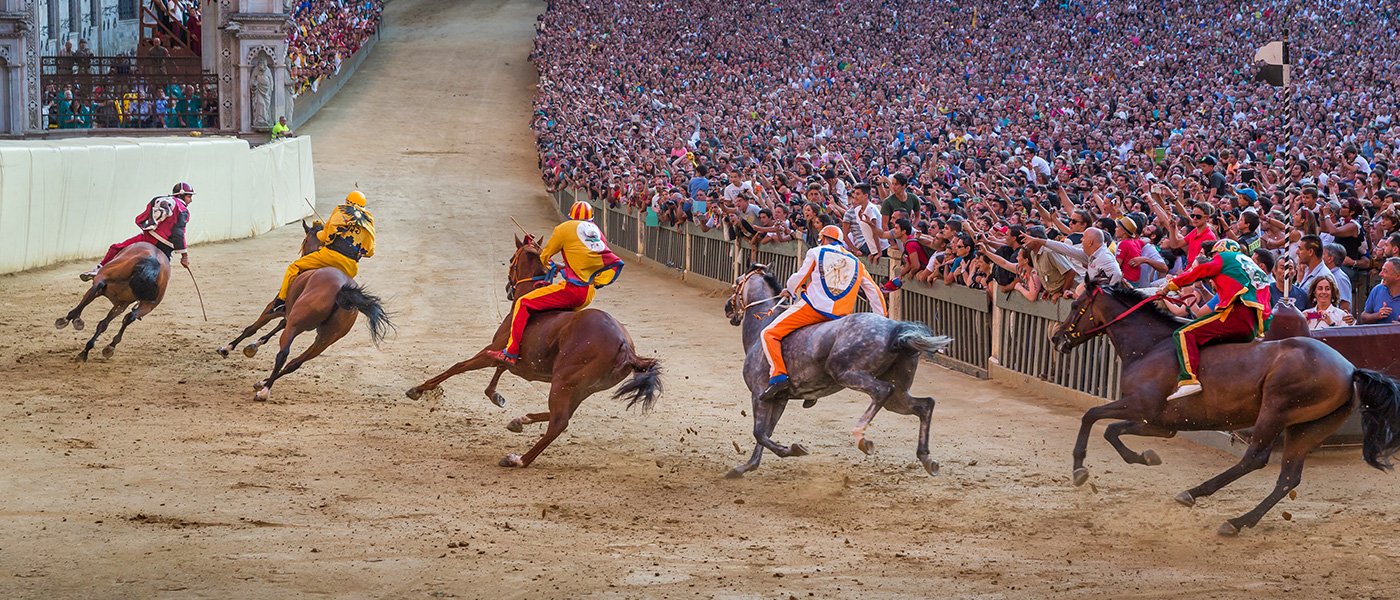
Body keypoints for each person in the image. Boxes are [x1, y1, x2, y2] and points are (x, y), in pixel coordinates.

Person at [758, 225, 886, 402]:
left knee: (769, 334)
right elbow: (874, 293)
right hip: (841, 318)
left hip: (812, 309)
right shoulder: (857, 262)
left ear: (823, 238)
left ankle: (778, 375)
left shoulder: (816, 252)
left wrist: (792, 289)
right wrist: (881, 320)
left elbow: (797, 278)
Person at [487, 201, 623, 364]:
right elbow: (584, 264)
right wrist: (566, 270)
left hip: (573, 291)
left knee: (523, 302)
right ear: (591, 219)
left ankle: (511, 352)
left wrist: (550, 262)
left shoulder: (564, 229)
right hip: (588, 293)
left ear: (570, 216)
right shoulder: (598, 233)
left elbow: (545, 257)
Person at [1163, 239, 1273, 400]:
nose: (1213, 258)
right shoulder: (1251, 266)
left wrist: (1170, 285)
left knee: (1183, 333)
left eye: (1214, 255)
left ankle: (1188, 380)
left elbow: (1200, 271)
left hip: (1236, 315)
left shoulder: (1225, 257)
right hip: (1253, 325)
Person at [272, 190, 376, 311]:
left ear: (348, 202)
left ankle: (281, 301)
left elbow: (326, 237)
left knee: (294, 267)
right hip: (351, 267)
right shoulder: (368, 222)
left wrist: (319, 233)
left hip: (330, 256)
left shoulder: (341, 211)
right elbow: (370, 252)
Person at [80, 182, 195, 281]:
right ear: (181, 195)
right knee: (162, 276)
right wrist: (184, 256)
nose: (191, 200)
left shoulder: (161, 200)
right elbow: (179, 234)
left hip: (147, 238)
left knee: (116, 248)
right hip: (165, 247)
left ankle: (99, 269)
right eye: (189, 196)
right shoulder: (183, 210)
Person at [1361, 257, 1400, 325]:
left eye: (1385, 271)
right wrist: (1376, 315)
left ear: (1397, 276)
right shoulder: (1377, 290)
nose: (1380, 274)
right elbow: (1364, 317)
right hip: (1378, 335)